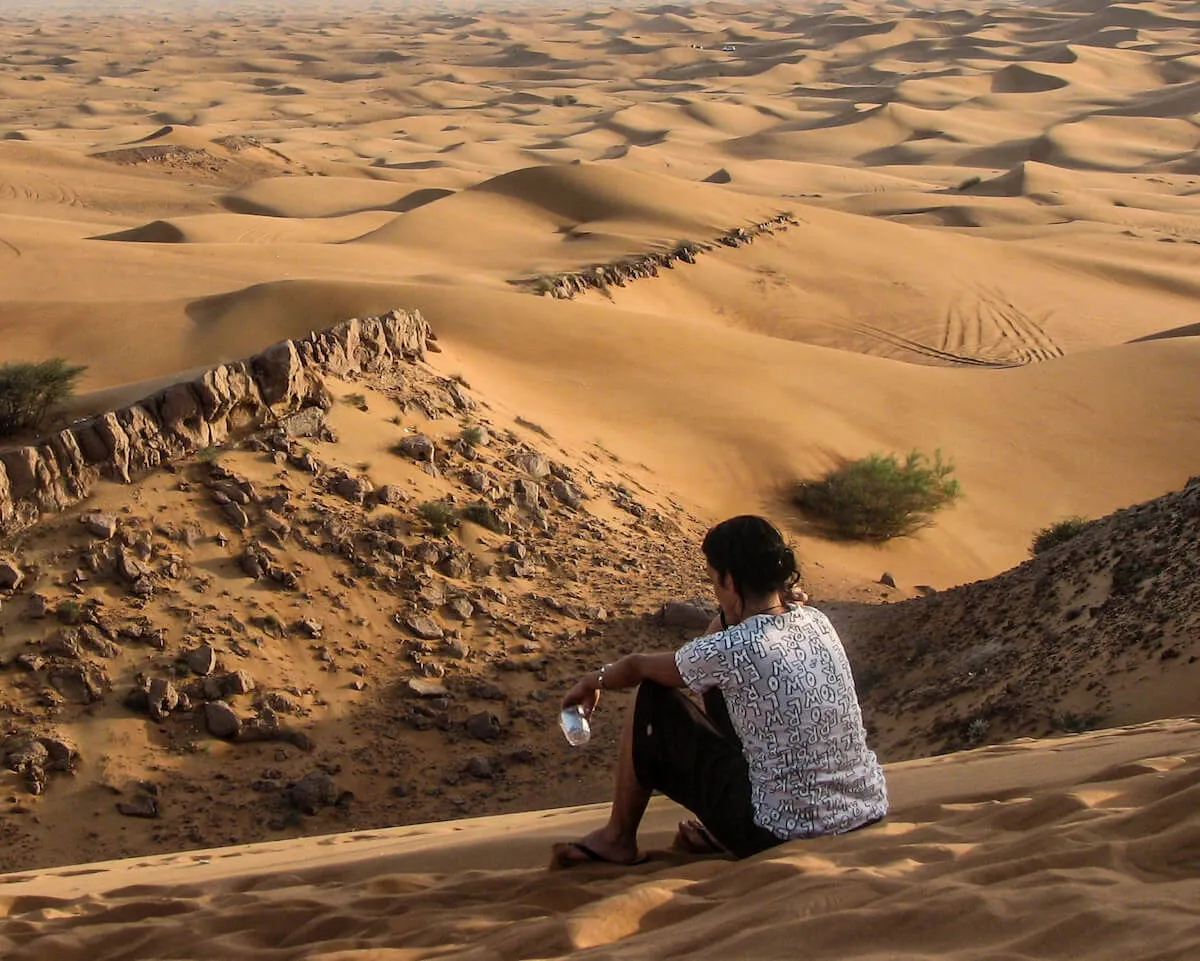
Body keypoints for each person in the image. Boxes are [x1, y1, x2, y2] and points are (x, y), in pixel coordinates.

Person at [552, 514, 887, 868]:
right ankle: (718, 828)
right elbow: (718, 646)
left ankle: (617, 838)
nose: (715, 590)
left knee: (651, 699)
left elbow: (637, 667)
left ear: (728, 579)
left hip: (778, 831)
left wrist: (592, 681)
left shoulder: (733, 649)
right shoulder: (817, 621)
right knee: (722, 688)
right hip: (863, 811)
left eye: (714, 579)